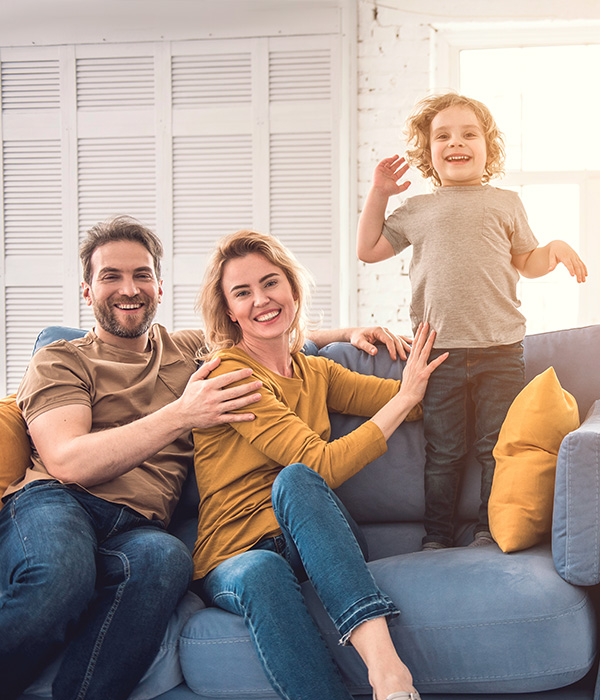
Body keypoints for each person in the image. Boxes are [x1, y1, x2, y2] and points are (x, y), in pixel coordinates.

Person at [0, 215, 414, 700]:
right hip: (61, 501)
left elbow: (265, 331)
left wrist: (353, 331)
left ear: (158, 287)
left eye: (141, 276)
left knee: (168, 559)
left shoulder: (187, 350)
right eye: (110, 276)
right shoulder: (61, 357)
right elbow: (69, 462)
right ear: (88, 292)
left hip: (140, 525)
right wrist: (182, 414)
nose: (128, 288)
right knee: (63, 574)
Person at [191, 229, 447, 700]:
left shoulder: (317, 371)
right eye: (242, 292)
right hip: (234, 554)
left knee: (296, 482)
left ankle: (387, 672)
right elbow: (319, 465)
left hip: (317, 541)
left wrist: (464, 379)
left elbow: (408, 403)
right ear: (229, 311)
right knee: (271, 546)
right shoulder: (230, 376)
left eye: (270, 284)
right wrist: (406, 397)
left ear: (291, 288)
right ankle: (386, 676)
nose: (261, 300)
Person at [356, 91, 588, 550]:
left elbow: (527, 261)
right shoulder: (417, 210)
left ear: (488, 147)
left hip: (499, 350)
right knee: (443, 452)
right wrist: (380, 193)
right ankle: (437, 537)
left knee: (493, 447)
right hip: (437, 354)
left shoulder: (505, 203)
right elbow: (368, 249)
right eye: (442, 136)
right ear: (428, 152)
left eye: (468, 134)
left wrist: (554, 249)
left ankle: (487, 529)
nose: (455, 143)